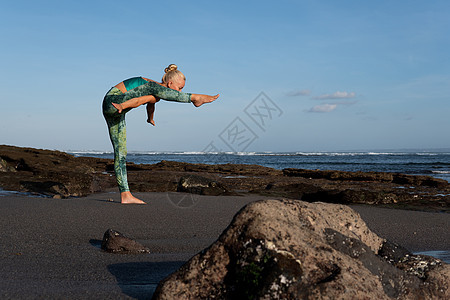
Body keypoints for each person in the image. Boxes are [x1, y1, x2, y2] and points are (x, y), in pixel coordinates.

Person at [102, 64, 219, 204]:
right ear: (170, 83)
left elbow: (150, 104)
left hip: (115, 111)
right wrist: (123, 106)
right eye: (180, 88)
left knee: (121, 153)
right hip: (113, 101)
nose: (179, 92)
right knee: (153, 89)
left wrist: (150, 118)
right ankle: (195, 98)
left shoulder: (153, 93)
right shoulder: (151, 86)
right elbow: (139, 100)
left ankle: (125, 194)